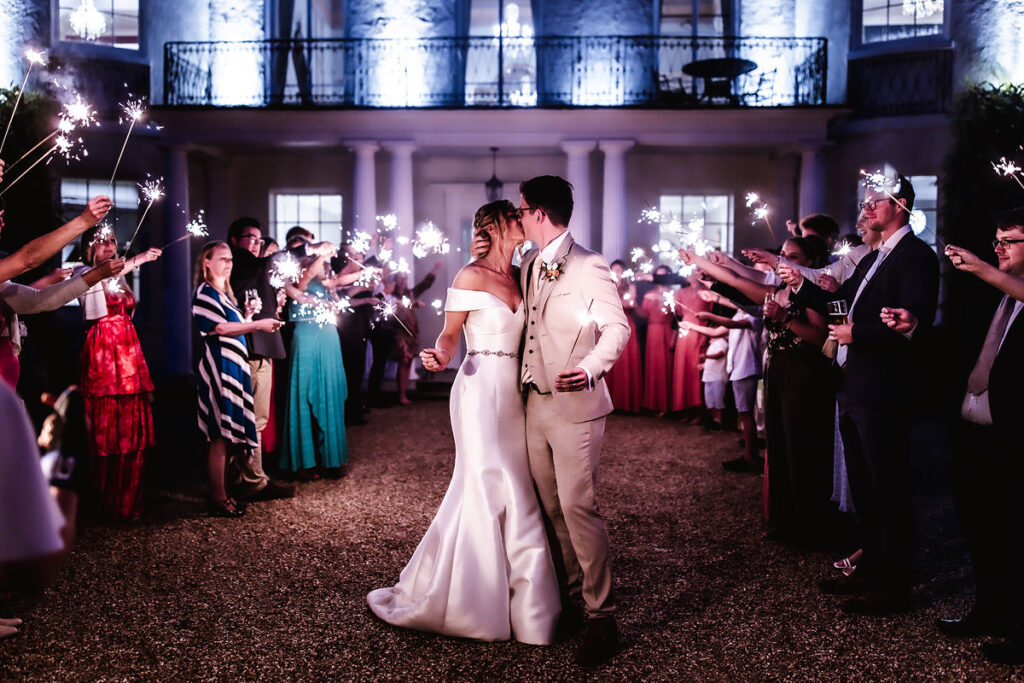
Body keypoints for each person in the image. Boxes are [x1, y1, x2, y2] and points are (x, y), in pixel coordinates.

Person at [368, 199, 560, 646]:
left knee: (519, 483)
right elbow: (450, 335)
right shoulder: (469, 275)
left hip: (517, 393)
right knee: (485, 480)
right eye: (516, 216)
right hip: (477, 389)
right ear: (494, 227)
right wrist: (439, 356)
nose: (524, 220)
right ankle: (474, 600)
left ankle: (530, 606)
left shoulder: (527, 272)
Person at [780, 174, 939, 615]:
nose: (866, 209)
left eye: (875, 203)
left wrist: (858, 333)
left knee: (889, 487)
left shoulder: (915, 256)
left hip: (884, 389)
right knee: (867, 488)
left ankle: (894, 584)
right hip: (855, 387)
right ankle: (869, 568)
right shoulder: (873, 258)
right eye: (866, 203)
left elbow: (913, 324)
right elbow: (844, 298)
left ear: (901, 204)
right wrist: (799, 282)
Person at [515, 176, 630, 665]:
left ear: (540, 213)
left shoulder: (588, 264)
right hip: (533, 404)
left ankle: (603, 617)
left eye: (522, 211)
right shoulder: (527, 264)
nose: (519, 218)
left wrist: (588, 369)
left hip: (576, 406)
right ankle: (570, 599)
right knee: (551, 508)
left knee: (578, 505)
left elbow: (617, 327)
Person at [912, 210, 1024, 664]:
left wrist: (982, 267)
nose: (999, 248)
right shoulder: (994, 297)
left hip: (1014, 435)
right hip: (974, 428)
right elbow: (963, 346)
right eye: (996, 240)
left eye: (1011, 240)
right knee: (981, 526)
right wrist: (915, 328)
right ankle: (991, 611)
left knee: (1017, 532)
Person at [75, 225, 161, 521]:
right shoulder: (82, 273)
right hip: (102, 353)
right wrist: (135, 262)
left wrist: (137, 262)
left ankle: (129, 502)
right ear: (89, 247)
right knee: (105, 428)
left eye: (112, 240)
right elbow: (94, 313)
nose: (108, 245)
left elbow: (127, 309)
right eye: (101, 242)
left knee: (129, 427)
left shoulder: (118, 278)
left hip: (127, 353)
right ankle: (104, 503)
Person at [192, 242, 284, 517]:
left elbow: (233, 327)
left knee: (231, 435)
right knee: (220, 436)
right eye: (222, 258)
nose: (229, 263)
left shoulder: (224, 295)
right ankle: (218, 496)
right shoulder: (204, 293)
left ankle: (224, 490)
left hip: (234, 367)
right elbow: (218, 328)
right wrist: (256, 325)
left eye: (231, 259)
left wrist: (248, 315)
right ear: (206, 262)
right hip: (220, 367)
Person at [226, 217, 294, 500]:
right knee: (253, 418)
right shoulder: (240, 263)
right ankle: (253, 480)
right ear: (234, 241)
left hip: (262, 346)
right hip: (250, 348)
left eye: (259, 238)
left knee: (257, 418)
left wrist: (276, 305)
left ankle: (250, 476)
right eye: (250, 238)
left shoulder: (256, 267)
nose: (256, 243)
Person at [281, 241, 353, 479]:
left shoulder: (326, 278)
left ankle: (331, 460)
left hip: (329, 335)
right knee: (302, 394)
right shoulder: (296, 279)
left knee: (331, 391)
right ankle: (306, 461)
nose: (325, 265)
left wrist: (334, 284)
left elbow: (336, 301)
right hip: (307, 335)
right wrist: (320, 255)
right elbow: (304, 282)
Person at [388, 263, 440, 405]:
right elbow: (395, 307)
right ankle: (400, 395)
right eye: (400, 278)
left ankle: (403, 394)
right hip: (399, 332)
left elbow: (424, 285)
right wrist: (414, 304)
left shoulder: (410, 293)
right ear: (395, 279)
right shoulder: (390, 294)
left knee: (408, 361)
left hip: (411, 332)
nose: (403, 281)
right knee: (404, 359)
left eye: (405, 278)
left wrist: (434, 270)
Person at [637, 265, 675, 415]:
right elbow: (643, 314)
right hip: (652, 334)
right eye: (658, 274)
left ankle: (668, 405)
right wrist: (632, 304)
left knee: (668, 367)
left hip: (667, 331)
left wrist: (673, 337)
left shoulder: (673, 295)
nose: (661, 278)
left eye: (664, 275)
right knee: (654, 367)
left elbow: (677, 318)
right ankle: (654, 404)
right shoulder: (649, 294)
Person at [605, 260, 642, 412]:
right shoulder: (606, 286)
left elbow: (631, 304)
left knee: (627, 362)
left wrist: (618, 292)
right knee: (611, 361)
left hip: (627, 325)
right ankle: (611, 402)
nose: (616, 273)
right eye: (613, 270)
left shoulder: (630, 287)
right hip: (610, 326)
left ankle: (628, 403)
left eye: (619, 270)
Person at [670, 275, 709, 417]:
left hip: (700, 330)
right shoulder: (680, 293)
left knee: (695, 368)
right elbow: (677, 313)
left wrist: (705, 336)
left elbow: (710, 313)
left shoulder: (707, 291)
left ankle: (699, 410)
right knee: (683, 368)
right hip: (684, 332)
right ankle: (684, 408)